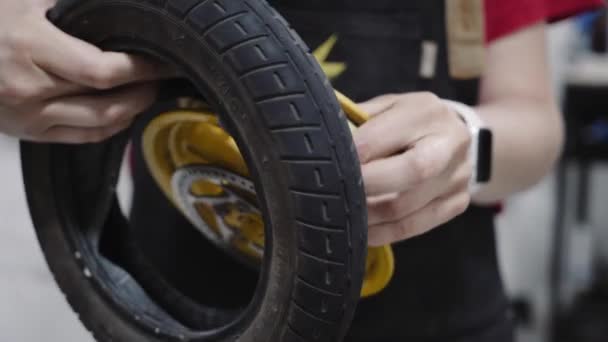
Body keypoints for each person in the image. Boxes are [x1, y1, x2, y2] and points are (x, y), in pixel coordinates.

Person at [0, 0, 603, 341]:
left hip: (438, 316)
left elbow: (535, 123)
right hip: (178, 304)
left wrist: (470, 143)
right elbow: (44, 28)